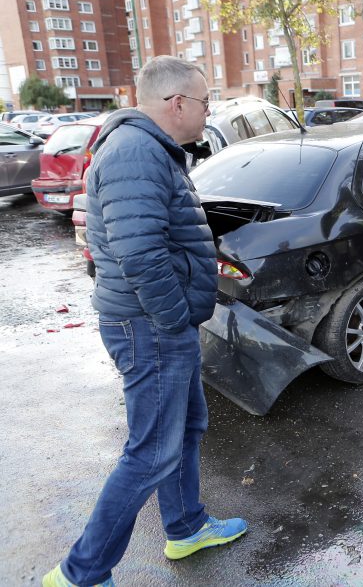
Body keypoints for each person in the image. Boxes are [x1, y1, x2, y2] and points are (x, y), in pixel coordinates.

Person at [43, 56, 246, 587]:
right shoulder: (135, 150)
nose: (208, 112)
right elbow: (140, 254)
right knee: (151, 452)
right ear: (177, 102)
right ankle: (80, 573)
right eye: (205, 102)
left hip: (155, 323)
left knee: (185, 430)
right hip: (151, 326)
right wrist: (177, 317)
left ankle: (185, 527)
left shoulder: (146, 149)